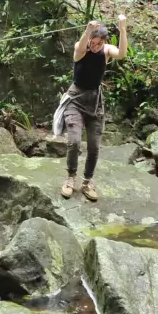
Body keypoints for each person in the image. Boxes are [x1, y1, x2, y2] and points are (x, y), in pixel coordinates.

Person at [61, 14, 128, 201]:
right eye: (93, 42)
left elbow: (121, 54)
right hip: (75, 98)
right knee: (74, 141)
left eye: (99, 43)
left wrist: (123, 29)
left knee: (94, 146)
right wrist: (88, 30)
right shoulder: (81, 48)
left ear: (104, 42)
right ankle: (70, 177)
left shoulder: (106, 51)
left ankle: (87, 181)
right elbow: (80, 47)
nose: (95, 46)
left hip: (95, 101)